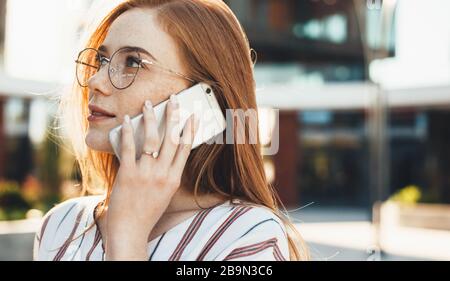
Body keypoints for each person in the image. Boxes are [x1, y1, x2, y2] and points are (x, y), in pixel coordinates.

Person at [33, 0, 308, 261]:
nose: (95, 81)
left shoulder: (247, 234)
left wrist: (128, 237)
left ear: (201, 100)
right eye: (103, 61)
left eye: (133, 63)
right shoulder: (60, 226)